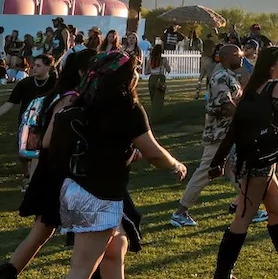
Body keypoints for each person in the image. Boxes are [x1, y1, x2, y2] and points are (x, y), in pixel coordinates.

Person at [58, 51, 188, 278]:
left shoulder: (83, 99)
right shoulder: (127, 107)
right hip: (98, 194)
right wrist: (175, 165)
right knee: (81, 268)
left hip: (78, 187)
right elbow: (153, 152)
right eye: (135, 71)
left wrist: (126, 152)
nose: (137, 75)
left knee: (115, 248)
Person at [209, 46, 278, 278]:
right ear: (272, 65)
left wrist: (218, 160)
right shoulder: (277, 88)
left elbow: (235, 129)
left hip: (254, 160)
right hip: (259, 163)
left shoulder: (251, 89)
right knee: (243, 217)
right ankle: (222, 273)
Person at [0, 49, 95, 278]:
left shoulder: (62, 92)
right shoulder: (70, 97)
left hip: (55, 171)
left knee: (43, 231)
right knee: (96, 234)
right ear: (83, 71)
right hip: (59, 173)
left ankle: (8, 272)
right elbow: (49, 139)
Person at [172, 44, 245, 228]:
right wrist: (247, 119)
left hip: (228, 132)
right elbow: (226, 105)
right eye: (238, 54)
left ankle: (248, 206)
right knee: (206, 171)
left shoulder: (229, 75)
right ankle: (180, 213)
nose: (242, 56)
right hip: (219, 134)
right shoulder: (220, 76)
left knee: (234, 170)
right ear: (226, 57)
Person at [0, 54, 56, 191]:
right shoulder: (25, 83)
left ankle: (32, 183)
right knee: (23, 155)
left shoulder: (55, 83)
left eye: (38, 66)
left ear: (48, 67)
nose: (34, 68)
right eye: (34, 65)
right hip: (25, 125)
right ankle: (27, 176)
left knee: (37, 154)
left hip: (45, 125)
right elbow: (10, 103)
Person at [147, 43, 172, 118]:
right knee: (159, 98)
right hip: (160, 78)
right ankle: (158, 114)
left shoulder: (150, 60)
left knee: (153, 97)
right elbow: (168, 70)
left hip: (152, 78)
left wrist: (152, 70)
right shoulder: (163, 60)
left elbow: (146, 72)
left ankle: (153, 114)